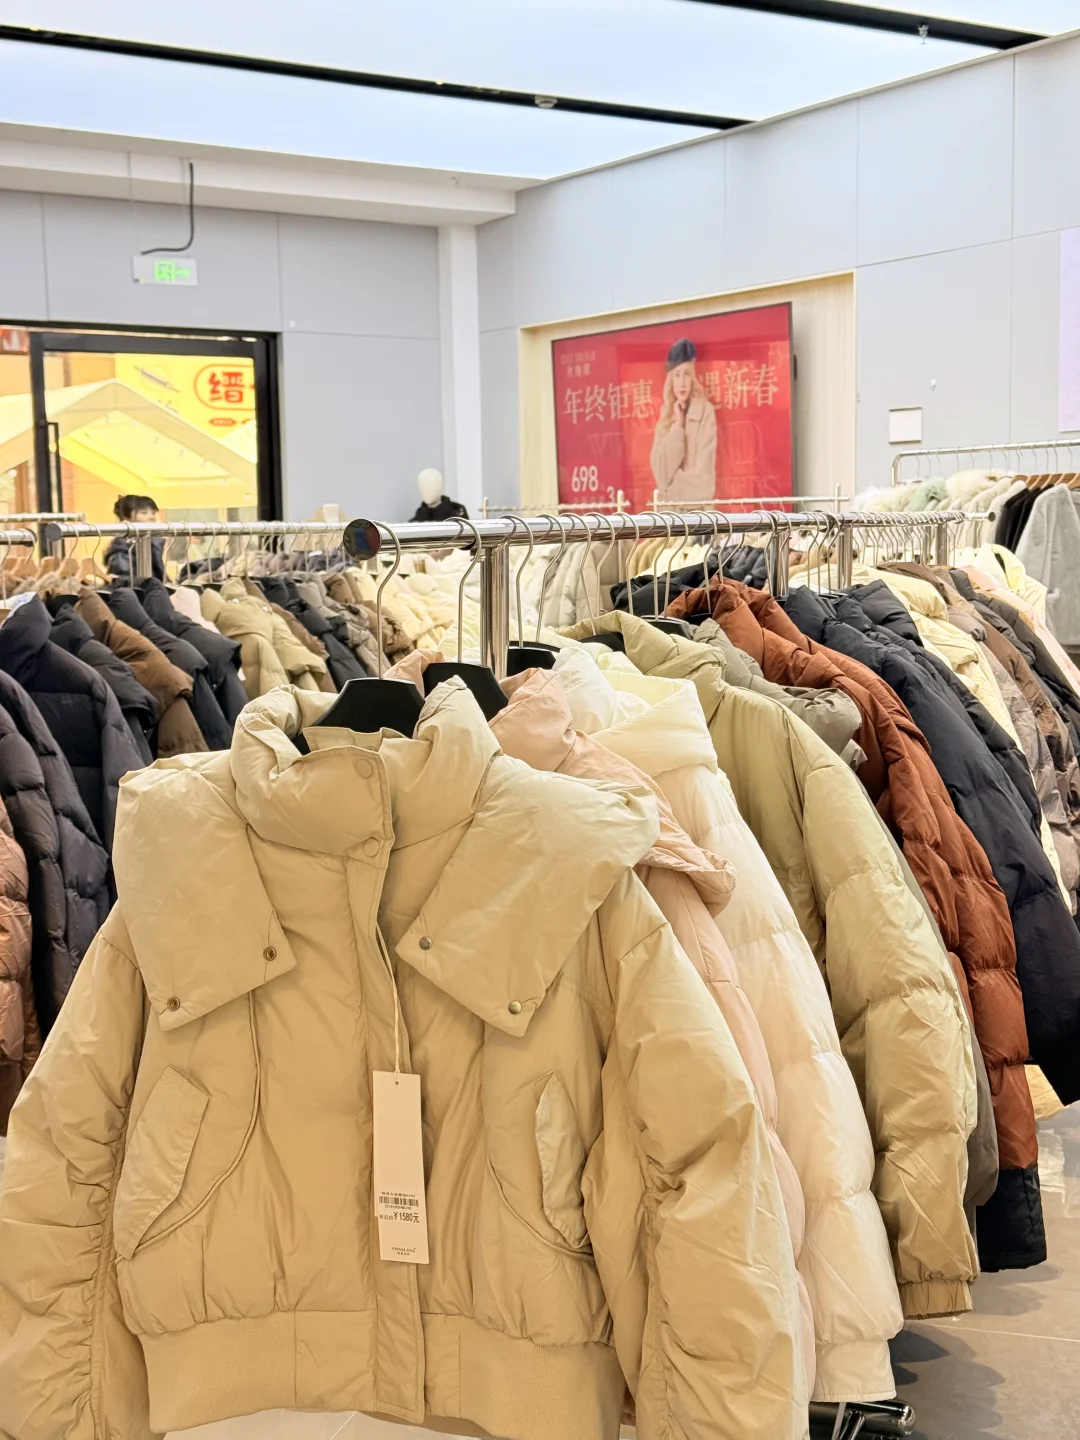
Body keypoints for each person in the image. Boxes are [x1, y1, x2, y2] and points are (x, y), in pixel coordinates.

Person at [650, 338, 718, 502]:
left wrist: (668, 489)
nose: (682, 382)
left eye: (687, 374)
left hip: (698, 515)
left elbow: (705, 484)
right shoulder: (666, 416)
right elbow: (660, 475)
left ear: (692, 377)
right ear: (671, 380)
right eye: (677, 375)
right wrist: (677, 427)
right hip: (669, 515)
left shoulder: (705, 412)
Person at [104, 494, 165, 581]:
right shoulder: (121, 550)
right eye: (144, 512)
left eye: (153, 513)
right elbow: (125, 581)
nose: (151, 517)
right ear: (126, 517)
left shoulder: (151, 543)